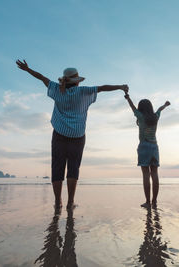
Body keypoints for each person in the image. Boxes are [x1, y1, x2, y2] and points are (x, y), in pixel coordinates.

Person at [16, 59, 128, 210]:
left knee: (57, 167)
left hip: (59, 134)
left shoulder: (56, 89)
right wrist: (120, 87)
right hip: (78, 136)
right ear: (76, 81)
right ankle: (70, 202)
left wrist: (27, 69)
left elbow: (42, 77)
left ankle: (57, 202)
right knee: (73, 168)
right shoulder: (83, 92)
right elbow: (102, 88)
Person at [124, 93, 170, 208]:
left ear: (141, 108)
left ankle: (147, 202)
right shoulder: (156, 117)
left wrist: (128, 97)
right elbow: (160, 109)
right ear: (150, 107)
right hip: (154, 147)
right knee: (154, 174)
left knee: (146, 174)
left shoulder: (140, 116)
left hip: (144, 146)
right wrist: (165, 105)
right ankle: (154, 202)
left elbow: (132, 107)